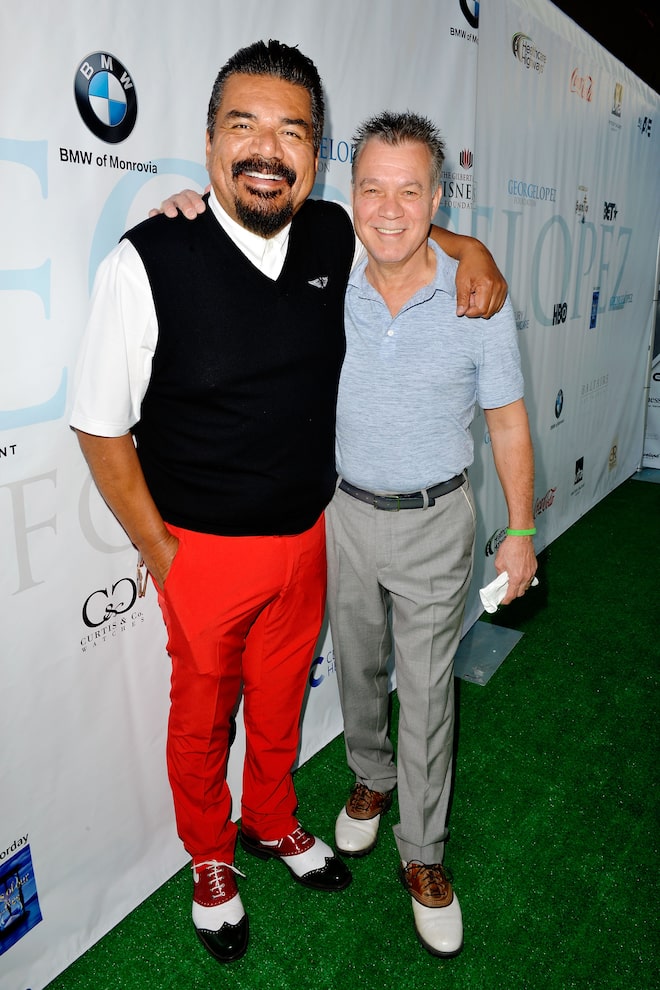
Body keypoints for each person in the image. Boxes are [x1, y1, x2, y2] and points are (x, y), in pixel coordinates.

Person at [70, 40, 507, 965]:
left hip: (313, 536)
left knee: (277, 702)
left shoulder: (332, 234)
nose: (268, 149)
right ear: (209, 143)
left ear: (315, 152)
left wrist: (475, 250)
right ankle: (209, 855)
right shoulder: (148, 258)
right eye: (245, 126)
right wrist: (162, 554)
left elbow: (415, 234)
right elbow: (101, 428)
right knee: (202, 719)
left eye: (292, 131)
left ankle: (271, 817)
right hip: (200, 551)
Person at [327, 111, 538, 959]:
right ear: (350, 194)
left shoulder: (475, 296)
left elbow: (509, 422)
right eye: (372, 188)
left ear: (438, 197)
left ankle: (422, 851)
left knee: (424, 692)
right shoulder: (327, 274)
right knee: (356, 668)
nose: (389, 208)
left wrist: (521, 529)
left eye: (409, 191)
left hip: (436, 520)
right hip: (344, 515)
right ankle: (369, 779)